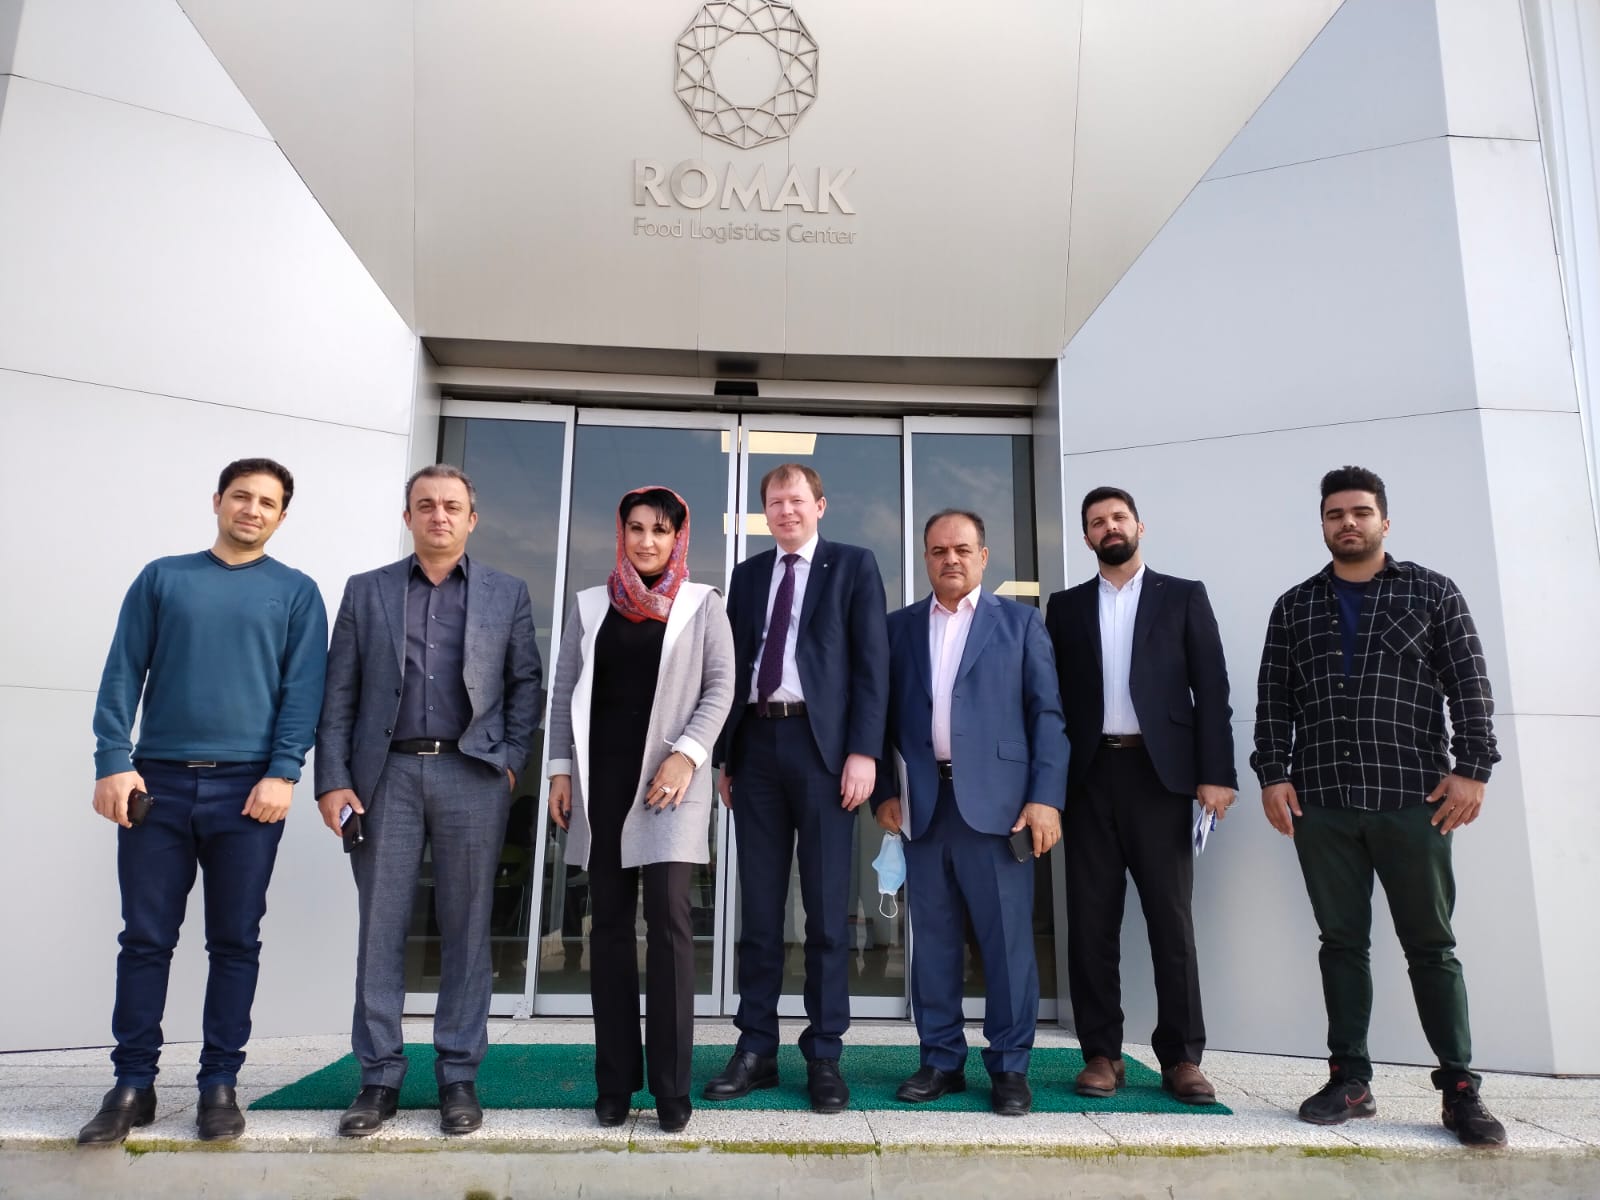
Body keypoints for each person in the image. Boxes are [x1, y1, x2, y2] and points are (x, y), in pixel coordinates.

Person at [1252, 465, 1507, 1147]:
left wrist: (1473, 770)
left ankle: (1460, 1088)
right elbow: (1273, 701)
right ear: (1323, 524)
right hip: (1324, 803)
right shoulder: (1295, 606)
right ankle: (1350, 1080)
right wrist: (1273, 775)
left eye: (1361, 512)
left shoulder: (1431, 593)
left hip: (1412, 800)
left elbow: (1470, 686)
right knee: (1341, 943)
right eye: (1336, 514)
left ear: (1384, 521)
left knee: (1431, 946)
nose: (1349, 523)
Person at [79, 458, 327, 1146]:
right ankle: (132, 1084)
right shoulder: (163, 578)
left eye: (267, 502)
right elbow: (122, 672)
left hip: (249, 791)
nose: (252, 509)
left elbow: (303, 691)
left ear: (282, 516)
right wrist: (113, 761)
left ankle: (220, 1083)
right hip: (156, 785)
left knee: (235, 940)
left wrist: (283, 773)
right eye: (241, 496)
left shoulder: (297, 592)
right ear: (217, 501)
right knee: (145, 939)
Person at [315, 464, 542, 1137]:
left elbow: (525, 684)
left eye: (451, 506)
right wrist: (332, 778)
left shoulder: (507, 592)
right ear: (407, 516)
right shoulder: (367, 591)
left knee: (468, 927)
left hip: (472, 774)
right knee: (380, 926)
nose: (438, 516)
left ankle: (458, 1076)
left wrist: (510, 762)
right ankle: (378, 1077)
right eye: (425, 505)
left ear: (472, 518)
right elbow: (339, 693)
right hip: (384, 776)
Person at [545, 487, 735, 1134]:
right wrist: (560, 770)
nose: (647, 541)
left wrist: (687, 756)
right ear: (621, 533)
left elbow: (721, 687)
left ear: (678, 537)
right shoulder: (589, 605)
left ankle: (672, 1088)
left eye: (660, 529)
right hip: (602, 783)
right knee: (607, 930)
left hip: (669, 787)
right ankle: (615, 1084)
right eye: (636, 528)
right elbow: (563, 692)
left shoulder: (702, 603)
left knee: (671, 926)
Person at [706, 463, 890, 1114]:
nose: (785, 511)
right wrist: (726, 756)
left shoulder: (853, 566)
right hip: (756, 747)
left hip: (823, 752)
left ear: (820, 506)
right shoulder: (749, 575)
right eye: (775, 502)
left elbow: (873, 666)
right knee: (758, 912)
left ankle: (825, 1054)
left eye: (796, 500)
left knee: (826, 914)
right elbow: (732, 666)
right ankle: (755, 1048)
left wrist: (863, 752)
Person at [1043, 487, 1234, 1105]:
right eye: (1097, 522)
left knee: (1170, 921)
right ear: (1087, 537)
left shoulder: (1183, 596)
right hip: (1088, 777)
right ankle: (1101, 1054)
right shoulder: (1065, 607)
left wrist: (1217, 774)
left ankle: (1181, 1057)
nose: (1110, 527)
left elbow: (1212, 689)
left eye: (1119, 517)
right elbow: (1049, 699)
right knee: (1091, 922)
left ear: (1139, 526)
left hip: (1161, 777)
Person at [873, 509, 1068, 1116]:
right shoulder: (899, 628)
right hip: (924, 807)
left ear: (983, 556)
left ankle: (1009, 1067)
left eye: (962, 549)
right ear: (926, 559)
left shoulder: (1021, 623)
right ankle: (940, 1060)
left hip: (1001, 810)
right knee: (932, 942)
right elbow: (879, 717)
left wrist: (1045, 798)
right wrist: (884, 792)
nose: (950, 559)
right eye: (938, 551)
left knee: (1006, 943)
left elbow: (1047, 716)